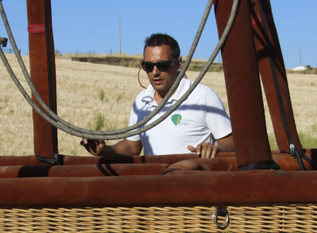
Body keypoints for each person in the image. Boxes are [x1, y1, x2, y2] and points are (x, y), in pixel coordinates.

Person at [81, 33, 234, 158]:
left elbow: (231, 141)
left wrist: (214, 149)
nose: (155, 72)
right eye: (148, 66)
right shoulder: (141, 101)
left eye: (163, 65)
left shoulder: (203, 95)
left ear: (179, 63)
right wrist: (104, 151)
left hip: (194, 188)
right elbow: (132, 146)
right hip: (156, 188)